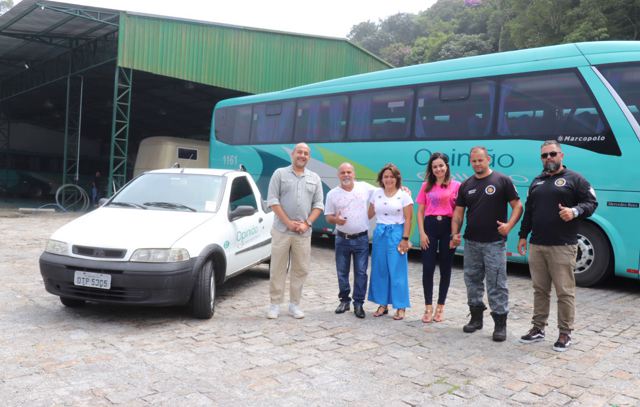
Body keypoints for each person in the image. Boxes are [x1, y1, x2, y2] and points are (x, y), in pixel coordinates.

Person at [517, 140, 597, 352]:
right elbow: (529, 212)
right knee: (540, 290)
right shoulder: (537, 182)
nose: (549, 158)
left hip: (563, 245)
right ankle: (538, 328)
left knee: (564, 291)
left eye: (552, 154)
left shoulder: (575, 179)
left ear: (561, 155)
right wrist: (523, 235)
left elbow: (591, 203)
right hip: (537, 245)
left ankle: (565, 332)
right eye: (544, 155)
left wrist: (575, 211)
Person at [450, 146, 522, 342]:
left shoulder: (501, 180)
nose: (477, 164)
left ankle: (500, 324)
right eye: (473, 161)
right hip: (471, 242)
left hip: (495, 243)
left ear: (488, 159)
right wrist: (455, 233)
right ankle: (476, 319)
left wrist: (509, 225)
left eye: (480, 160)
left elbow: (518, 205)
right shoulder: (466, 185)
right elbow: (458, 213)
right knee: (472, 281)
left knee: (497, 283)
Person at [266, 143, 324, 319]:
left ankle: (294, 305)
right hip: (282, 231)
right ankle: (275, 304)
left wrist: (307, 223)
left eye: (306, 153)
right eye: (300, 152)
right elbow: (273, 200)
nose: (302, 155)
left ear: (309, 157)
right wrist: (289, 223)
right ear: (293, 154)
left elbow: (319, 205)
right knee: (277, 268)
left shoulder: (315, 178)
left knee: (301, 269)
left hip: (303, 233)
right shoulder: (280, 174)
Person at [325, 163, 375, 319]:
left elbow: (384, 193)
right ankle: (344, 301)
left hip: (361, 239)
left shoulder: (365, 187)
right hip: (342, 239)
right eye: (342, 173)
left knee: (361, 273)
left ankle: (358, 303)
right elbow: (328, 217)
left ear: (354, 174)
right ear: (338, 175)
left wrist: (403, 190)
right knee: (342, 272)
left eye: (349, 172)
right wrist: (336, 220)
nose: (346, 175)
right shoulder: (332, 194)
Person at [416, 152, 460, 324]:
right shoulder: (426, 186)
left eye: (441, 165)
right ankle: (428, 306)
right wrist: (421, 233)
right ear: (431, 169)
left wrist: (455, 233)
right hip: (430, 227)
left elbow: (458, 211)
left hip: (448, 228)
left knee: (445, 268)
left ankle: (440, 306)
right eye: (435, 166)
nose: (438, 169)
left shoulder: (456, 186)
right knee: (427, 268)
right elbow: (420, 211)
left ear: (446, 166)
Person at [368, 163, 413, 320]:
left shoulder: (404, 195)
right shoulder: (376, 193)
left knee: (397, 270)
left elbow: (408, 219)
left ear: (397, 178)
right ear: (381, 178)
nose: (388, 179)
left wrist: (405, 239)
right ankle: (382, 304)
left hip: (396, 233)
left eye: (391, 176)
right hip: (380, 233)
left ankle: (401, 306)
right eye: (385, 176)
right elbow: (368, 214)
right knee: (380, 269)